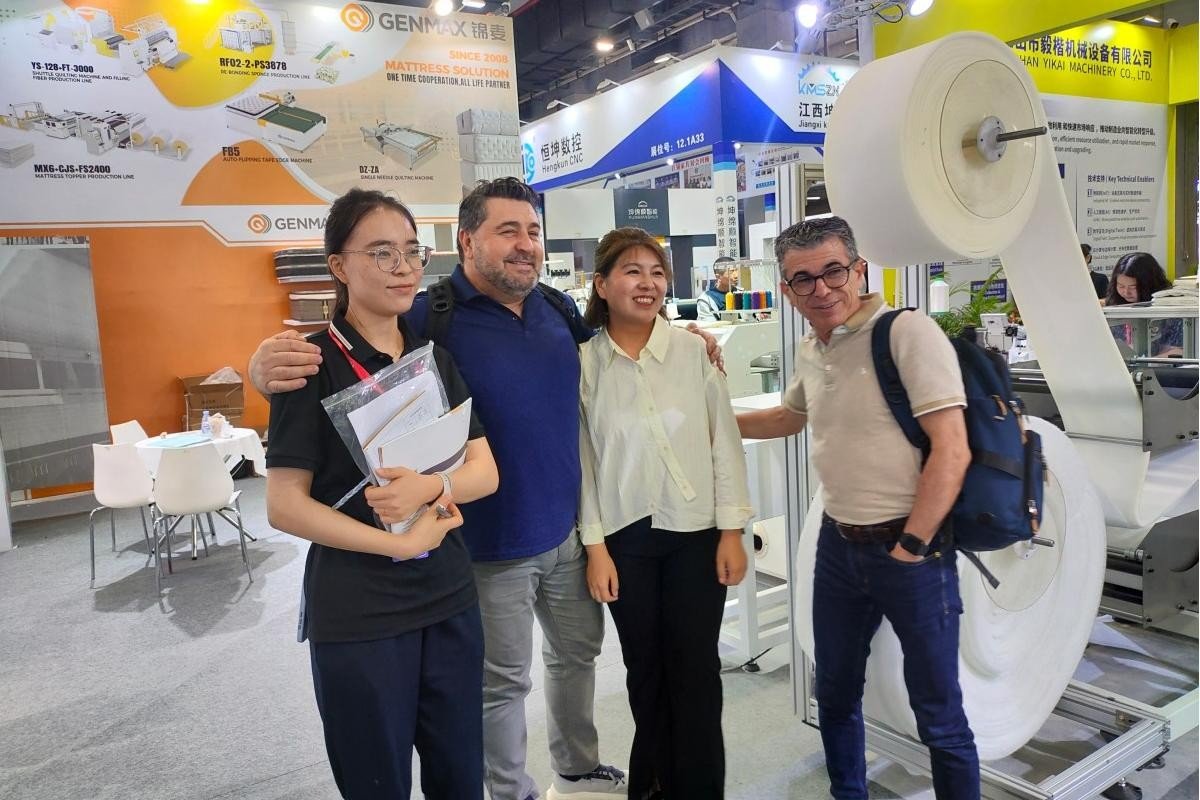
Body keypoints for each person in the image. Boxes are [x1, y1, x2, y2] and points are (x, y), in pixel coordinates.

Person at [251, 178, 721, 800]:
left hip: (569, 531)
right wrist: (260, 367)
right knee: (500, 684)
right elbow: (352, 345)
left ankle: (576, 766)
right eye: (508, 231)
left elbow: (616, 352)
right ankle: (510, 790)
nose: (525, 244)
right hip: (484, 547)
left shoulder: (555, 309)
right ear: (468, 241)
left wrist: (683, 335)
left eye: (533, 231)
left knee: (576, 658)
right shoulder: (431, 316)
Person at [265, 189, 500, 799]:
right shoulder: (308, 364)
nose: (403, 267)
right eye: (380, 252)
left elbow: (484, 472)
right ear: (338, 266)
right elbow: (284, 504)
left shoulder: (433, 361)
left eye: (411, 252)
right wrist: (393, 544)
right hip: (360, 611)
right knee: (376, 782)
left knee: (460, 777)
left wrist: (433, 485)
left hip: (448, 597)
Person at [736, 217, 978, 800]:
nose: (821, 289)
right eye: (803, 279)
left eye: (833, 271)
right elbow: (788, 417)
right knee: (835, 694)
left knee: (939, 715)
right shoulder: (811, 348)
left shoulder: (906, 333)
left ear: (859, 269)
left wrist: (912, 546)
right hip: (839, 548)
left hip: (913, 549)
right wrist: (712, 419)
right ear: (787, 290)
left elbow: (953, 448)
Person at [578, 228, 752, 800]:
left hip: (696, 533)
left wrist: (732, 530)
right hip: (624, 539)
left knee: (695, 671)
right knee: (645, 672)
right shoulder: (583, 364)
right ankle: (652, 787)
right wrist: (595, 547)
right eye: (632, 271)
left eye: (657, 273)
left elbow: (724, 444)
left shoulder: (693, 352)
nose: (647, 283)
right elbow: (584, 462)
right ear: (602, 284)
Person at [1105, 251, 1182, 356]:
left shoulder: (1168, 308)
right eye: (1121, 286)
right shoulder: (1114, 305)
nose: (1126, 292)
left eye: (1133, 287)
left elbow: (1180, 350)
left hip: (1160, 365)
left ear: (1149, 284)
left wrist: (1146, 363)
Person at [695, 257, 738, 321]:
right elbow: (709, 325)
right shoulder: (706, 300)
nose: (736, 275)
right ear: (718, 276)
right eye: (731, 272)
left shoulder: (741, 293)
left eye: (736, 270)